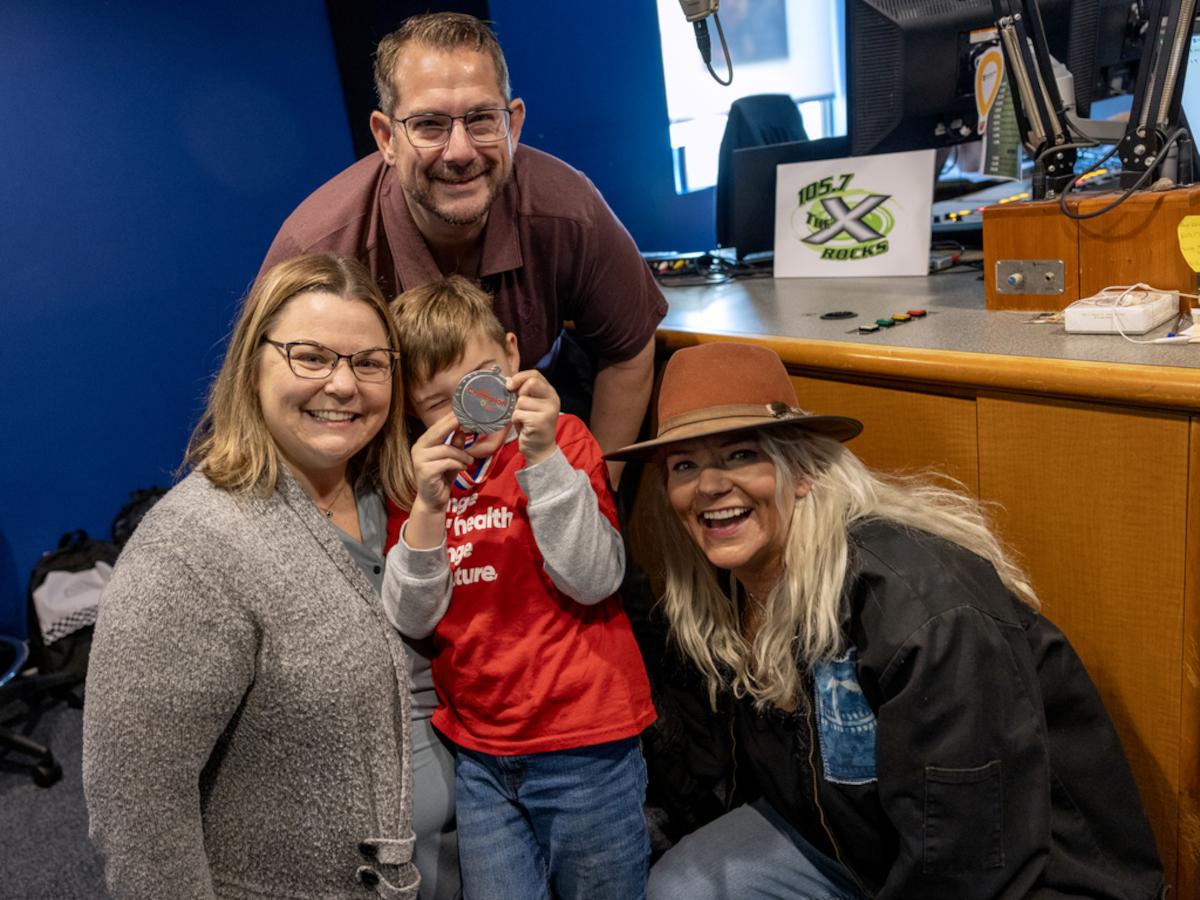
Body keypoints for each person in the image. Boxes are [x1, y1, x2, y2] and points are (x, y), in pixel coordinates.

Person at [606, 341, 1165, 900]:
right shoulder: (730, 583)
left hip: (1023, 877)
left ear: (801, 470)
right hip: (855, 845)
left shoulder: (922, 609)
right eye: (685, 465)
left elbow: (971, 855)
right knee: (683, 888)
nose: (708, 486)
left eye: (740, 455)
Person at [83, 254, 420, 900]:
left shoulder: (402, 494)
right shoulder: (193, 547)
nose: (344, 385)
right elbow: (138, 810)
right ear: (252, 364)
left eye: (369, 362)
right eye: (311, 357)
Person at [261, 11, 666, 486]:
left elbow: (628, 351)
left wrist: (597, 494)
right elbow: (270, 408)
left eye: (480, 119)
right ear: (387, 138)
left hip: (525, 470)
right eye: (430, 125)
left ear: (512, 125)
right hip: (376, 480)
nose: (459, 151)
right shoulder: (318, 246)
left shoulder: (568, 211)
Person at [381, 276, 656, 900]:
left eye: (482, 383)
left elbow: (594, 579)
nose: (470, 412)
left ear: (512, 357)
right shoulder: (416, 484)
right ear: (410, 409)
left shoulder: (566, 442)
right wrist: (426, 510)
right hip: (480, 754)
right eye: (439, 401)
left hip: (587, 741)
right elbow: (412, 618)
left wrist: (542, 461)